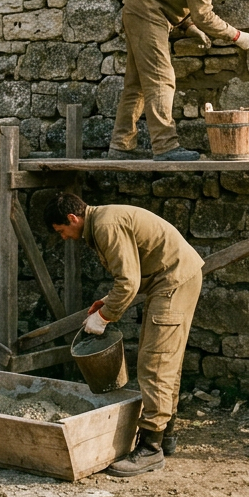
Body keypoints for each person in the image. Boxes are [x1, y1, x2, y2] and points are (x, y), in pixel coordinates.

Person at [46, 193, 203, 477]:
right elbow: (133, 271)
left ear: (72, 218)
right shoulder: (103, 220)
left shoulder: (106, 225)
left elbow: (129, 283)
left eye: (62, 231)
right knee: (165, 360)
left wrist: (103, 317)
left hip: (172, 280)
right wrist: (106, 302)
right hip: (170, 277)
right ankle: (165, 434)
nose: (65, 238)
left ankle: (151, 448)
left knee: (155, 362)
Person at [109, 0, 249, 162]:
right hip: (148, 14)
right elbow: (204, 14)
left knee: (137, 83)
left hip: (141, 11)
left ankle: (121, 145)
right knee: (161, 78)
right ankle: (165, 147)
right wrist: (238, 36)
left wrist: (190, 27)